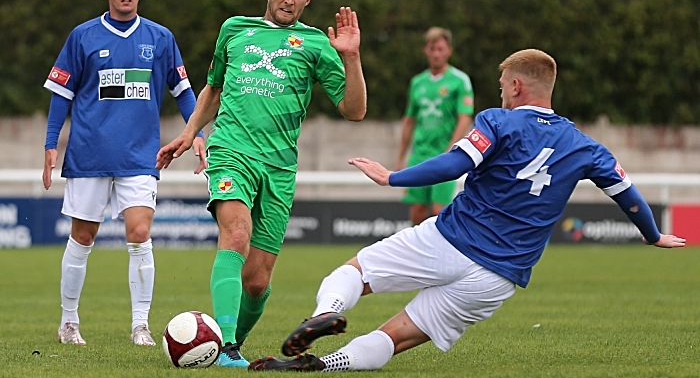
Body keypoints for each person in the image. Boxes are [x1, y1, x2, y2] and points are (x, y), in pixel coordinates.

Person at [247, 49, 686, 372]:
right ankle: (326, 366)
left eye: (502, 87)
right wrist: (651, 235)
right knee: (398, 335)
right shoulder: (586, 147)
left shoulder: (499, 119)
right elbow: (626, 193)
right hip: (498, 278)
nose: (502, 93)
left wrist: (392, 177)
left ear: (516, 86)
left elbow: (456, 162)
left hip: (449, 240)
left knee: (352, 274)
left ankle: (327, 310)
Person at [155, 0, 367, 368]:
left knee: (257, 280)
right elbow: (213, 90)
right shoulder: (234, 30)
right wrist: (188, 132)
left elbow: (354, 110)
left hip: (279, 167)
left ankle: (228, 342)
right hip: (231, 150)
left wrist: (352, 56)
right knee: (235, 234)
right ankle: (228, 347)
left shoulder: (315, 44)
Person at [43, 0, 206, 347]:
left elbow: (183, 91)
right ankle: (68, 323)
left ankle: (140, 325)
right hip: (89, 155)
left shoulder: (160, 38)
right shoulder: (82, 37)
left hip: (140, 155)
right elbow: (61, 95)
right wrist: (51, 144)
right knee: (82, 237)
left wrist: (195, 132)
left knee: (140, 233)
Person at [397, 27, 474, 225]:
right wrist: (401, 157)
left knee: (441, 210)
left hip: (443, 154)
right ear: (426, 51)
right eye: (432, 49)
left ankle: (439, 254)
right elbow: (409, 120)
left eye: (440, 49)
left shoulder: (459, 80)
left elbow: (465, 118)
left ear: (449, 51)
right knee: (417, 210)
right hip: (420, 154)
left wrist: (452, 149)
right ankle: (417, 255)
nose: (436, 54)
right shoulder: (417, 82)